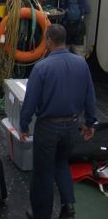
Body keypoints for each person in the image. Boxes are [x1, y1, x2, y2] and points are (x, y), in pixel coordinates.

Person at [19, 24, 96, 219]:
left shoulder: (41, 67)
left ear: (48, 41)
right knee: (62, 164)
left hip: (48, 128)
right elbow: (90, 96)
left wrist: (23, 125)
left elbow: (30, 101)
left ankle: (41, 215)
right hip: (72, 126)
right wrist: (90, 123)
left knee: (43, 173)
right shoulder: (81, 64)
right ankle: (68, 206)